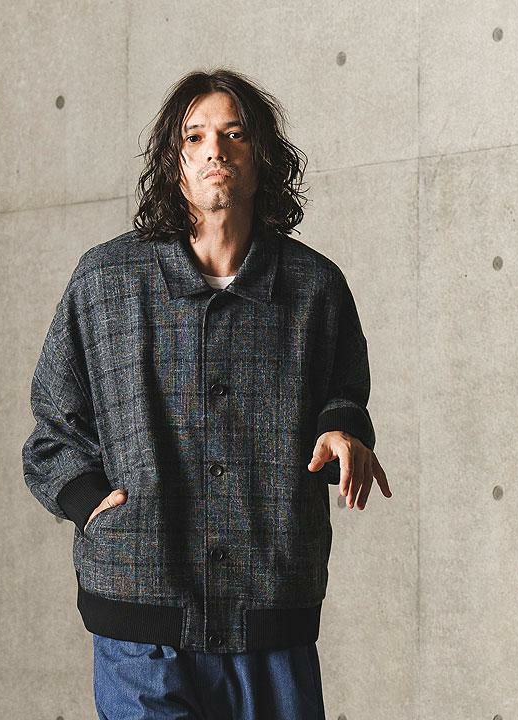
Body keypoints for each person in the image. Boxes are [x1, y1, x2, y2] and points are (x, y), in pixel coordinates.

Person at [22, 67, 391, 719]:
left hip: (269, 600)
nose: (214, 149)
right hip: (140, 607)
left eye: (234, 133)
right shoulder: (106, 281)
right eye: (194, 137)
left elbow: (344, 393)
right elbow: (54, 426)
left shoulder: (314, 287)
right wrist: (89, 503)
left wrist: (343, 433)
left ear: (261, 156)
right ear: (174, 162)